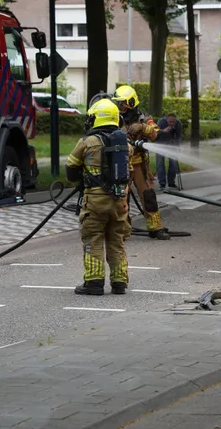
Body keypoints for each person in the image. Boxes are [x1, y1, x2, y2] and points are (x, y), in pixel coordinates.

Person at [65, 99, 133, 295]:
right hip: (119, 202)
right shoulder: (125, 145)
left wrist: (81, 181)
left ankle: (94, 283)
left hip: (95, 201)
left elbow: (71, 168)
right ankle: (119, 282)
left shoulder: (88, 142)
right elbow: (128, 174)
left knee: (93, 238)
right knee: (116, 240)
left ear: (95, 118)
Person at [112, 85, 171, 240]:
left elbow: (158, 135)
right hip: (121, 163)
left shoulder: (144, 118)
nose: (120, 109)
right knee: (121, 197)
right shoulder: (114, 119)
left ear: (131, 103)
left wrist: (143, 128)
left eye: (122, 104)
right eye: (118, 104)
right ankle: (122, 231)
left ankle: (155, 228)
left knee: (149, 196)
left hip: (140, 165)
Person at [156, 113, 182, 191]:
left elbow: (179, 137)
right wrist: (163, 131)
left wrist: (177, 146)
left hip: (172, 145)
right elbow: (155, 133)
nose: (172, 123)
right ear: (166, 119)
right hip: (160, 145)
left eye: (173, 122)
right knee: (160, 165)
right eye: (170, 122)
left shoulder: (178, 124)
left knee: (173, 165)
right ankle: (162, 183)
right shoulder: (161, 122)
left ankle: (171, 182)